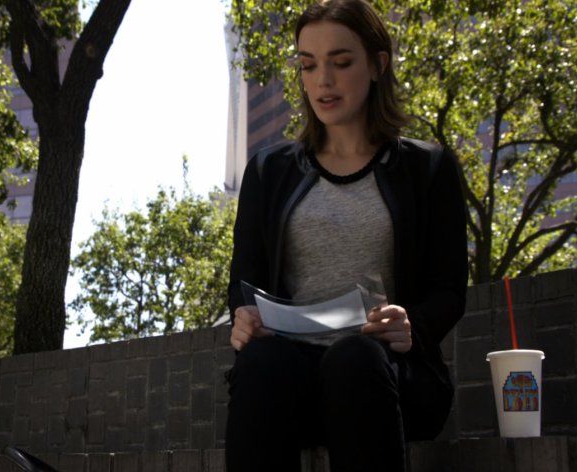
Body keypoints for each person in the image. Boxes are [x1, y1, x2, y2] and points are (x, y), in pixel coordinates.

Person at [224, 0, 469, 471]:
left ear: (377, 65)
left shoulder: (429, 168)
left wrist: (411, 325)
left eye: (340, 62)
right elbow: (244, 279)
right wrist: (244, 315)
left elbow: (449, 290)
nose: (323, 81)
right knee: (258, 364)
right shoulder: (268, 172)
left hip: (388, 375)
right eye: (308, 65)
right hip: (292, 381)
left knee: (354, 359)